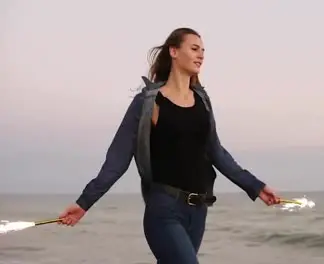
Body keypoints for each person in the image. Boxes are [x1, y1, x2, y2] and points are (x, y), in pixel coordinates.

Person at [58, 27, 281, 263]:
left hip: (198, 211)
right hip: (164, 209)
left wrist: (255, 186)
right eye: (194, 49)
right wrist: (84, 202)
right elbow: (117, 160)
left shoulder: (202, 101)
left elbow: (217, 152)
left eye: (203, 51)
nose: (201, 55)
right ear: (174, 51)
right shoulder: (148, 103)